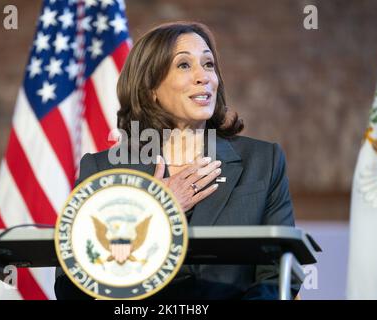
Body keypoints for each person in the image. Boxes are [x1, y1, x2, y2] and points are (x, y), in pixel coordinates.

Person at [54, 21, 300, 300]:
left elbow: (279, 274)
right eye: (184, 65)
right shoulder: (103, 169)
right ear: (151, 89)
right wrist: (154, 210)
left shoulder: (263, 162)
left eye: (208, 64)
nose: (203, 76)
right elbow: (71, 285)